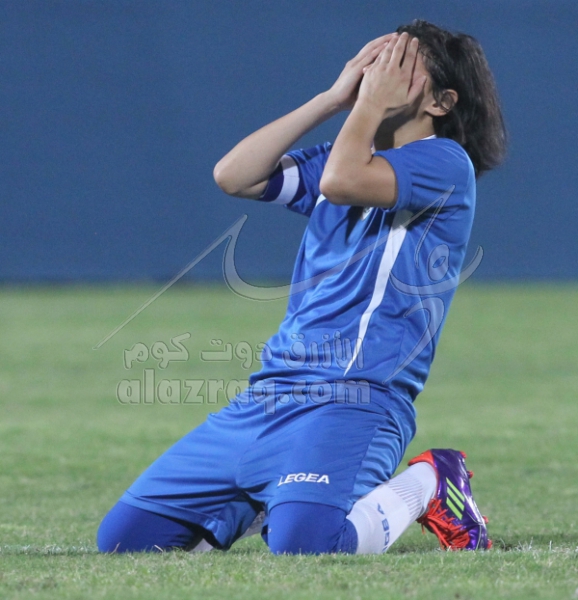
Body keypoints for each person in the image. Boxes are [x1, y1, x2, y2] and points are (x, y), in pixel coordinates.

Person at [97, 20, 507, 555]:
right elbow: (234, 175)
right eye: (374, 61)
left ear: (441, 102)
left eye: (398, 67)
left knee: (308, 546)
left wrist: (366, 109)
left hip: (357, 398)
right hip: (270, 395)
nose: (377, 75)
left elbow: (341, 181)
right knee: (126, 541)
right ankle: (265, 497)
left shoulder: (445, 162)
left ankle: (432, 480)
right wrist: (332, 99)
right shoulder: (347, 154)